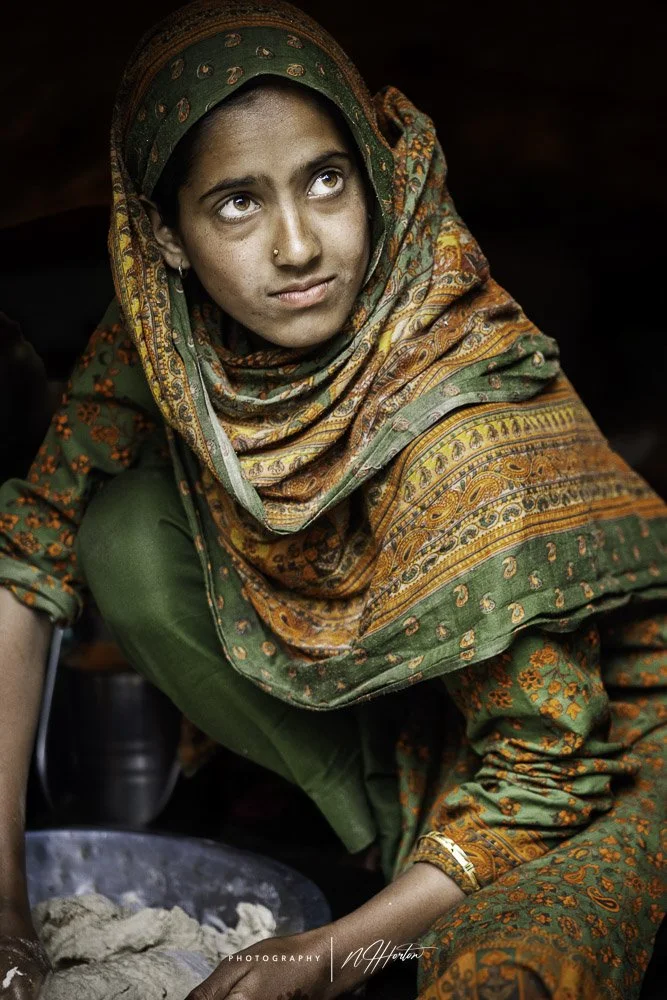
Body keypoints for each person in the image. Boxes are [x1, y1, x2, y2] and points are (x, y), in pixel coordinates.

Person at [0, 1, 665, 997]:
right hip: (408, 738)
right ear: (167, 240)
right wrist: (4, 899)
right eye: (236, 203)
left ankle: (407, 891)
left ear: (372, 174)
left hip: (590, 763)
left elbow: (546, 777)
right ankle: (387, 852)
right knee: (126, 533)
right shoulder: (170, 339)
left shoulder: (460, 423)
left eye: (325, 180)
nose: (299, 245)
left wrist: (324, 954)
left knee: (506, 973)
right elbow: (30, 557)